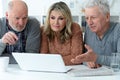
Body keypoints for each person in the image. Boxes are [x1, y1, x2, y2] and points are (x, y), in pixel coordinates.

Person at [71, 0, 120, 68]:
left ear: (107, 17)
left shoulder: (118, 30)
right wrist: (88, 61)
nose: (89, 22)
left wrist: (96, 58)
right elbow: (86, 56)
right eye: (87, 18)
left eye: (93, 17)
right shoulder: (89, 29)